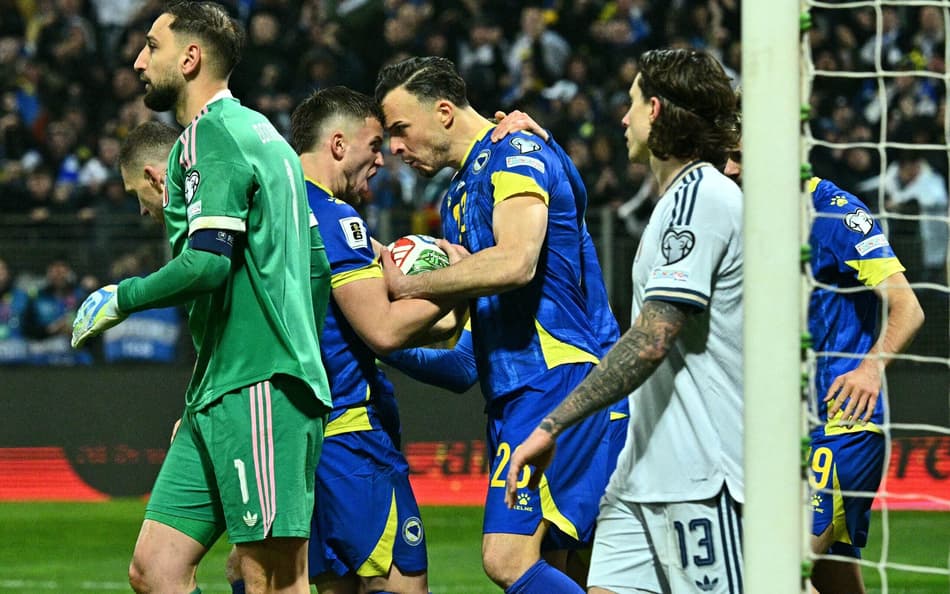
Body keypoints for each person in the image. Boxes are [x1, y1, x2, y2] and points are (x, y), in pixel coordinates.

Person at [71, 4, 332, 593]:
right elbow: (314, 271)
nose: (139, 61)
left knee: (272, 578)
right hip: (222, 391)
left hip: (259, 387)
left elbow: (209, 262)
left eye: (151, 46)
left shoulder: (212, 135)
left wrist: (123, 296)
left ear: (190, 59)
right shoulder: (266, 136)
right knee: (155, 569)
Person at [506, 48, 744, 594]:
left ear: (655, 109)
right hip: (642, 476)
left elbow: (652, 338)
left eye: (632, 104)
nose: (623, 118)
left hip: (701, 476)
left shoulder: (699, 200)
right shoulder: (676, 203)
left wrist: (552, 425)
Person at [375, 56, 611, 593]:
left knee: (506, 558)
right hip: (515, 391)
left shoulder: (515, 151)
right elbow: (462, 357)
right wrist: (376, 333)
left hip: (557, 375)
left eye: (400, 130)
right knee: (573, 569)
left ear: (442, 112)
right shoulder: (457, 196)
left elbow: (516, 262)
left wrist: (406, 286)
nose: (394, 148)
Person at [227, 86, 457, 594]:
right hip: (352, 440)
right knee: (401, 585)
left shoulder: (262, 213)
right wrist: (461, 280)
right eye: (374, 145)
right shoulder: (335, 218)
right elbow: (383, 329)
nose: (382, 159)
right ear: (337, 145)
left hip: (287, 443)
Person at [724, 133, 925, 594]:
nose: (730, 170)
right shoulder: (757, 219)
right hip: (790, 430)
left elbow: (908, 306)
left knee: (769, 572)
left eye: (738, 157)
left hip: (843, 426)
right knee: (832, 580)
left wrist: (871, 367)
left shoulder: (832, 210)